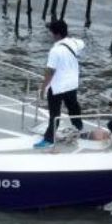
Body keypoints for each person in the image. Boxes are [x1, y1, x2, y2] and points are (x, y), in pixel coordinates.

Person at [34, 19, 84, 149]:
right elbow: (82, 43)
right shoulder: (75, 43)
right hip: (72, 83)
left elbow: (50, 71)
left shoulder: (55, 51)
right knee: (73, 106)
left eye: (51, 32)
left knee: (54, 113)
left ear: (56, 34)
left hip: (58, 86)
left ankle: (49, 138)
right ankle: (78, 126)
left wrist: (43, 88)